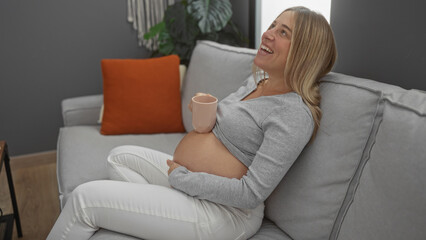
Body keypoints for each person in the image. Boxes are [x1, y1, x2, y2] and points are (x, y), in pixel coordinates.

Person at [47, 6, 337, 240]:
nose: (268, 33)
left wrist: (184, 180)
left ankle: (158, 214)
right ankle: (159, 217)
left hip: (226, 213)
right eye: (272, 25)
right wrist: (205, 111)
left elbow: (251, 193)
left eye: (282, 32)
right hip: (193, 184)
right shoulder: (256, 82)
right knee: (118, 157)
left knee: (85, 199)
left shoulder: (294, 114)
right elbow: (218, 132)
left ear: (303, 52)